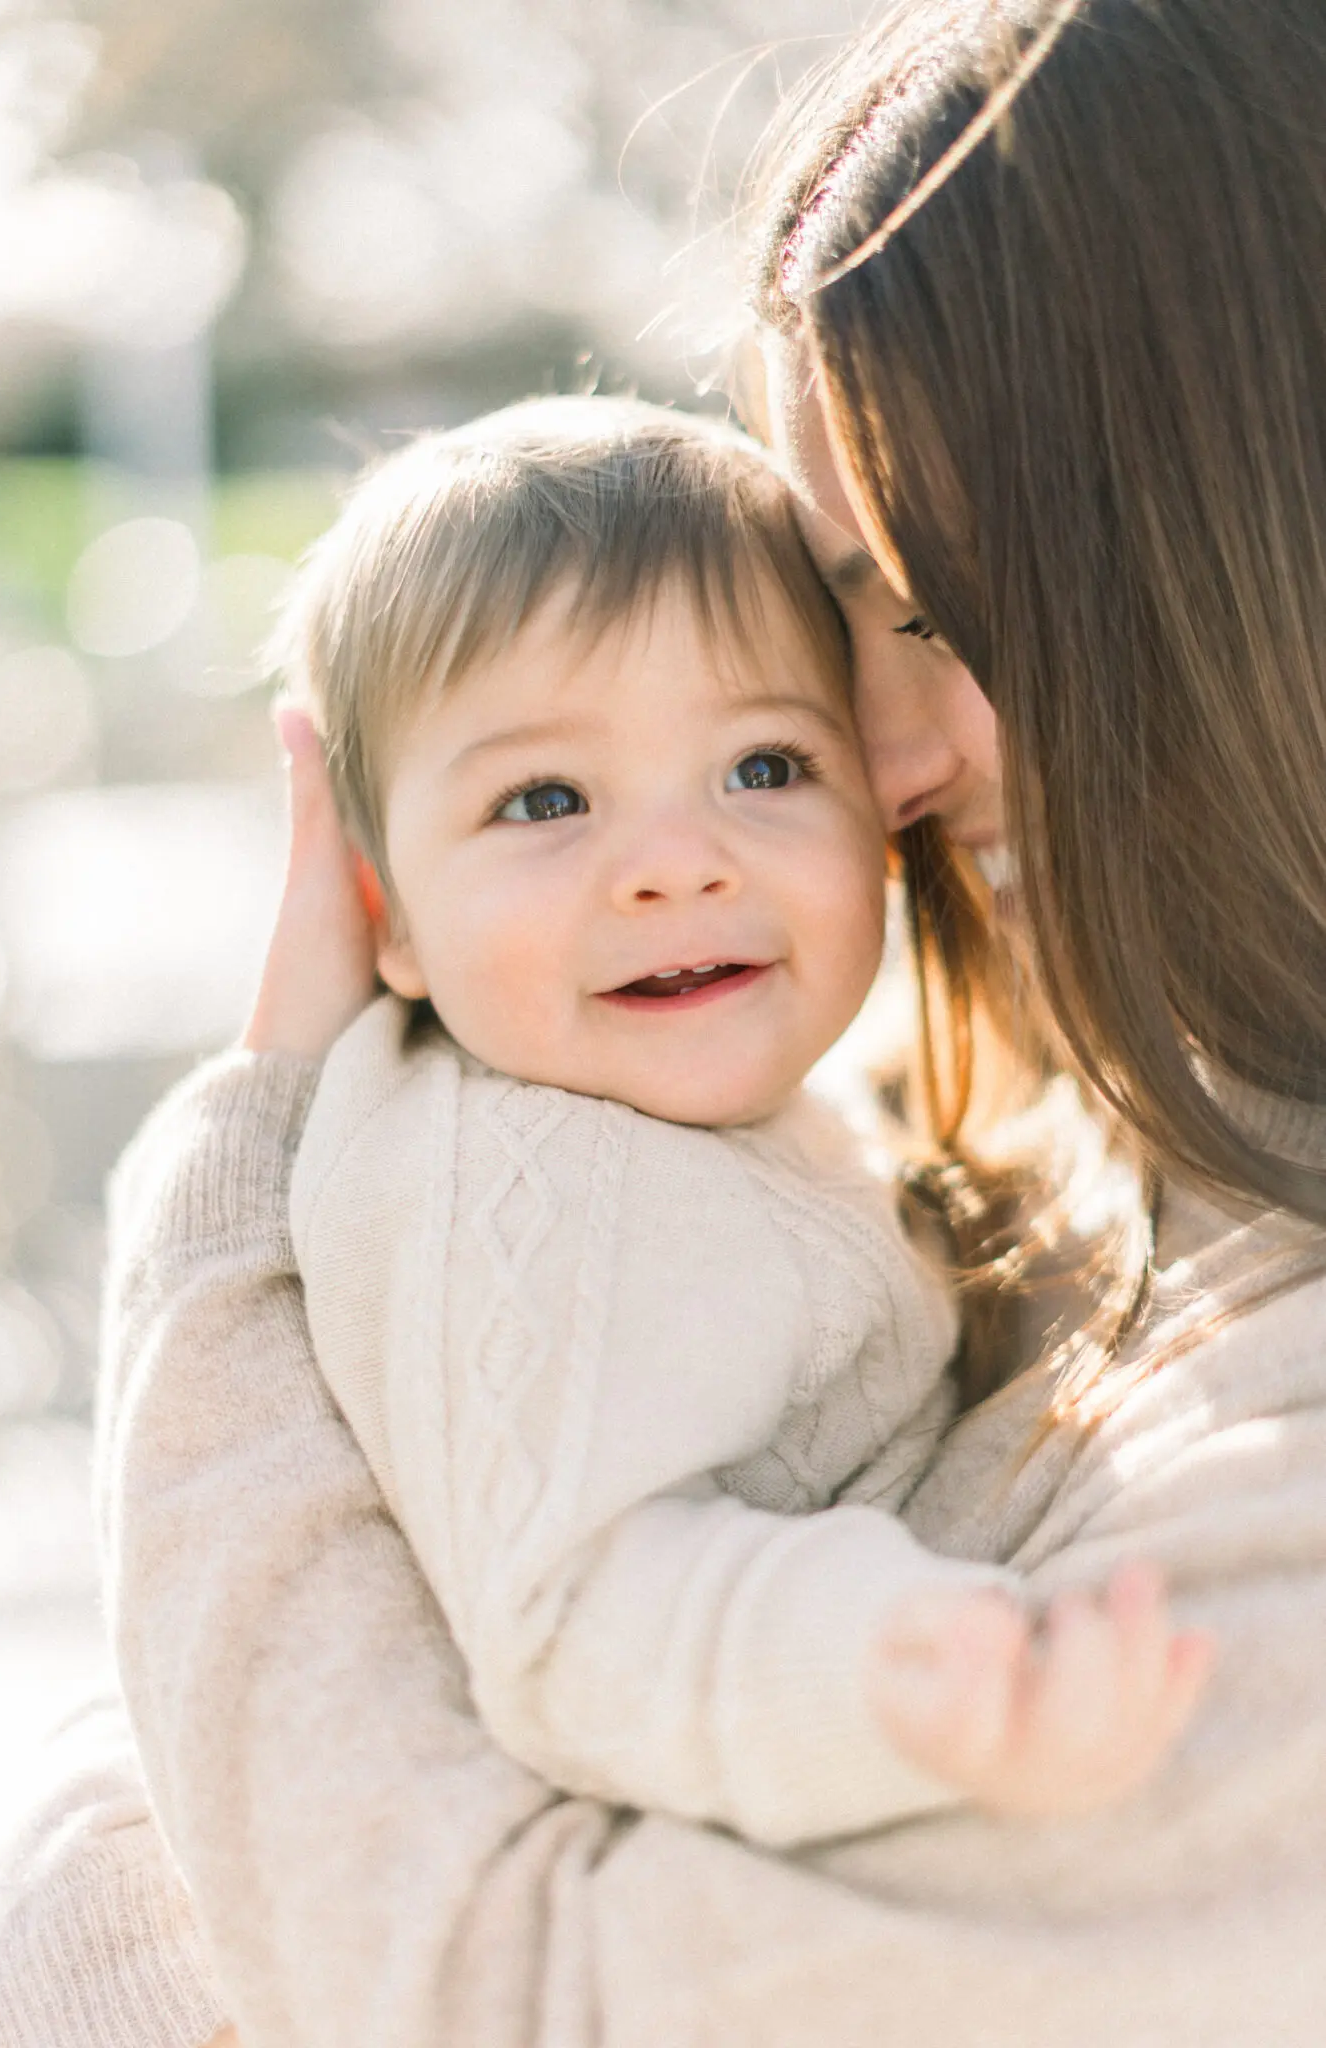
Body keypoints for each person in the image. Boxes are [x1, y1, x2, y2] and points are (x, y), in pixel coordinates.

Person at [0, 0, 1326, 2042]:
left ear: (1237, 569)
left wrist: (226, 1231)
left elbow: (512, 1997)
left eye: (936, 614)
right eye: (829, 614)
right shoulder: (991, 1145)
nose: (867, 754)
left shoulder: (1270, 1442)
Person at [265, 392, 1203, 1847]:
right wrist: (903, 1674)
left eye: (764, 768)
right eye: (547, 797)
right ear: (381, 910)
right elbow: (584, 1612)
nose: (677, 866)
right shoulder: (507, 1183)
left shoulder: (734, 1124)